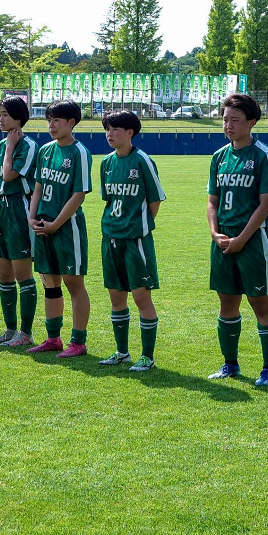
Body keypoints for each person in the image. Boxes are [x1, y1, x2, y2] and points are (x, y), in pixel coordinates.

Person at [206, 93, 268, 384]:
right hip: (223, 242)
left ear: (251, 122)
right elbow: (213, 201)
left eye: (235, 120)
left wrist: (242, 238)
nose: (228, 125)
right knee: (227, 304)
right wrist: (215, 233)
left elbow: (265, 204)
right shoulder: (219, 157)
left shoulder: (262, 155)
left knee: (260, 303)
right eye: (225, 120)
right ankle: (230, 365)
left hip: (253, 241)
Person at [96, 110, 165, 372]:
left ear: (130, 133)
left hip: (135, 240)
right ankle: (121, 352)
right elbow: (109, 200)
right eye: (107, 129)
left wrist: (140, 226)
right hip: (111, 237)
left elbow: (155, 199)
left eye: (115, 129)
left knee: (141, 298)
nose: (109, 134)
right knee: (116, 298)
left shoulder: (143, 161)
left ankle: (147, 356)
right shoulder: (106, 163)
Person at [26, 99, 93, 357]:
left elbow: (79, 194)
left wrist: (56, 224)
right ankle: (53, 338)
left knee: (73, 283)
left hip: (67, 228)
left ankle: (78, 341)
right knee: (49, 284)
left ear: (71, 123)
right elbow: (38, 188)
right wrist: (32, 218)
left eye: (57, 120)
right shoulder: (45, 150)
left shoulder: (80, 152)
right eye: (49, 120)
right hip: (43, 224)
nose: (52, 125)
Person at [0, 96, 40, 347]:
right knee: (4, 274)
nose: (1, 118)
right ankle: (9, 329)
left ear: (19, 116)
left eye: (6, 113)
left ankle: (25, 333)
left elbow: (8, 176)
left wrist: (10, 147)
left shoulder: (27, 145)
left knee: (22, 275)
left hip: (18, 206)